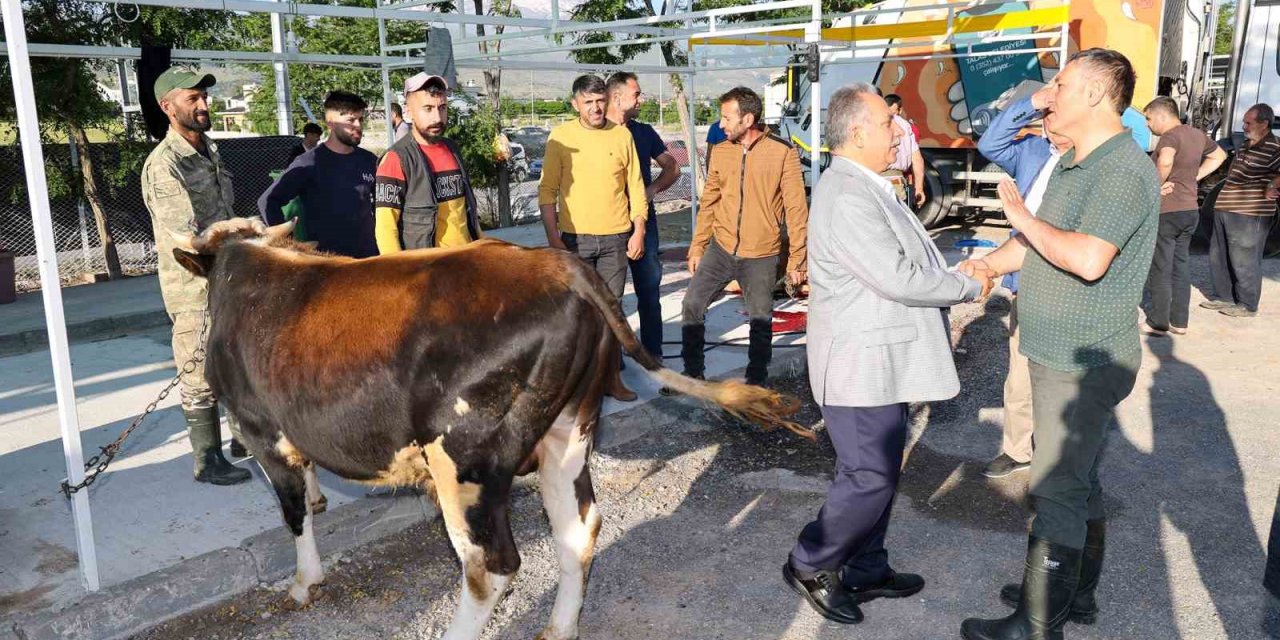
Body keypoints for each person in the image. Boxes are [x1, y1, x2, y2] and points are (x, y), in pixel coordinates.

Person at [958, 49, 1160, 640]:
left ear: (1097, 95)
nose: (1050, 94)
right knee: (1078, 478)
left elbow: (1087, 258)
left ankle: (1038, 622)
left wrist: (1020, 217)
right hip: (1058, 351)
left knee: (1057, 487)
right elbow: (1036, 247)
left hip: (1081, 356)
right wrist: (988, 266)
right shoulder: (1074, 164)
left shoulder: (1122, 169)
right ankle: (1074, 594)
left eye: (1062, 85)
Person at [785, 82, 990, 625]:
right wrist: (967, 286)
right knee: (867, 476)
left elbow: (908, 260)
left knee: (881, 473)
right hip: (859, 368)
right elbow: (898, 277)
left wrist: (951, 274)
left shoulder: (867, 184)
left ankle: (866, 566)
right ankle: (811, 560)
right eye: (886, 124)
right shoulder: (848, 192)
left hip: (881, 364)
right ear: (856, 133)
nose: (897, 131)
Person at [141, 68, 251, 486]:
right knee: (199, 369)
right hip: (194, 286)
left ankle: (244, 439)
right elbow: (189, 237)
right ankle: (207, 459)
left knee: (236, 362)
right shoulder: (165, 165)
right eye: (193, 99)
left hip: (228, 278)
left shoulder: (209, 149)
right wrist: (247, 232)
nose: (204, 105)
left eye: (204, 96)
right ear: (168, 107)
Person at [974, 86, 1073, 480]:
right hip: (1026, 276)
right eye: (1047, 115)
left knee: (1063, 379)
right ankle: (1017, 449)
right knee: (1020, 374)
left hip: (1069, 282)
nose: (1051, 122)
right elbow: (990, 142)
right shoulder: (1032, 150)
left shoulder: (1093, 161)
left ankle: (1060, 453)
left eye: (1057, 113)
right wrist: (1032, 104)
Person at [679, 87, 807, 388]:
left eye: (726, 117)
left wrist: (798, 261)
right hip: (720, 249)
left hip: (760, 255)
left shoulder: (782, 152)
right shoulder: (722, 150)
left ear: (747, 119)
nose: (721, 124)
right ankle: (692, 373)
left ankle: (756, 383)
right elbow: (709, 201)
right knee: (692, 304)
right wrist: (697, 245)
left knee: (760, 320)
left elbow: (796, 209)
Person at [539, 74, 648, 400]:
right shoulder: (561, 137)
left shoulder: (621, 136)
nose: (596, 108)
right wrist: (553, 238)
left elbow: (636, 186)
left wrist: (638, 230)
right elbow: (547, 191)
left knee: (610, 310)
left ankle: (611, 378)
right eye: (588, 102)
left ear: (608, 101)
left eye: (600, 100)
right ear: (576, 104)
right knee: (577, 311)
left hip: (616, 238)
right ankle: (578, 382)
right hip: (574, 240)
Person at [606, 72, 680, 359]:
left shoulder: (643, 132)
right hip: (606, 226)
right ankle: (612, 358)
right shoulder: (597, 134)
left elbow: (672, 167)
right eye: (636, 94)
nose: (641, 99)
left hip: (643, 224)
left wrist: (650, 191)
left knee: (648, 290)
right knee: (610, 295)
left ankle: (653, 353)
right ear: (616, 97)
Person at [1142, 96, 1228, 334]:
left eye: (1148, 118)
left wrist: (1155, 186)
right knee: (1181, 265)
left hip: (1167, 209)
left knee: (1161, 266)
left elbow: (1166, 160)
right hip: (1190, 210)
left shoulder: (1169, 136)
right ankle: (1180, 322)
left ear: (1161, 115)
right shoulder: (1197, 134)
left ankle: (1158, 322)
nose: (1148, 125)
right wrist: (1194, 177)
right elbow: (1220, 156)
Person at [258, 90, 378, 258]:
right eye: (351, 120)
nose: (358, 126)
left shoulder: (369, 160)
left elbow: (380, 206)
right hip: (327, 264)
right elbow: (269, 200)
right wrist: (287, 244)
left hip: (367, 259)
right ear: (330, 122)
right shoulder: (310, 162)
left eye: (361, 119)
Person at [374, 73, 482, 253]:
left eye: (442, 108)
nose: (437, 118)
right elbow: (386, 229)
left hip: (465, 265)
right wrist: (400, 276)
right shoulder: (397, 158)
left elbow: (466, 213)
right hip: (427, 271)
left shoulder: (452, 150)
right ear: (408, 111)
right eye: (428, 108)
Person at [1202, 103, 1280, 318]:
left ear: (1264, 124)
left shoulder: (1275, 146)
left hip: (1250, 212)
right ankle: (1224, 297)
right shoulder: (1246, 144)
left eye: (1248, 122)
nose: (1244, 126)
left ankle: (1247, 304)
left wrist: (1272, 186)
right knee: (1219, 255)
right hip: (1226, 207)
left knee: (1244, 258)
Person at [883, 94, 926, 208]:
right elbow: (917, 159)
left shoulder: (868, 120)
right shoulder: (907, 126)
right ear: (900, 110)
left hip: (873, 181)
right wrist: (919, 188)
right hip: (897, 184)